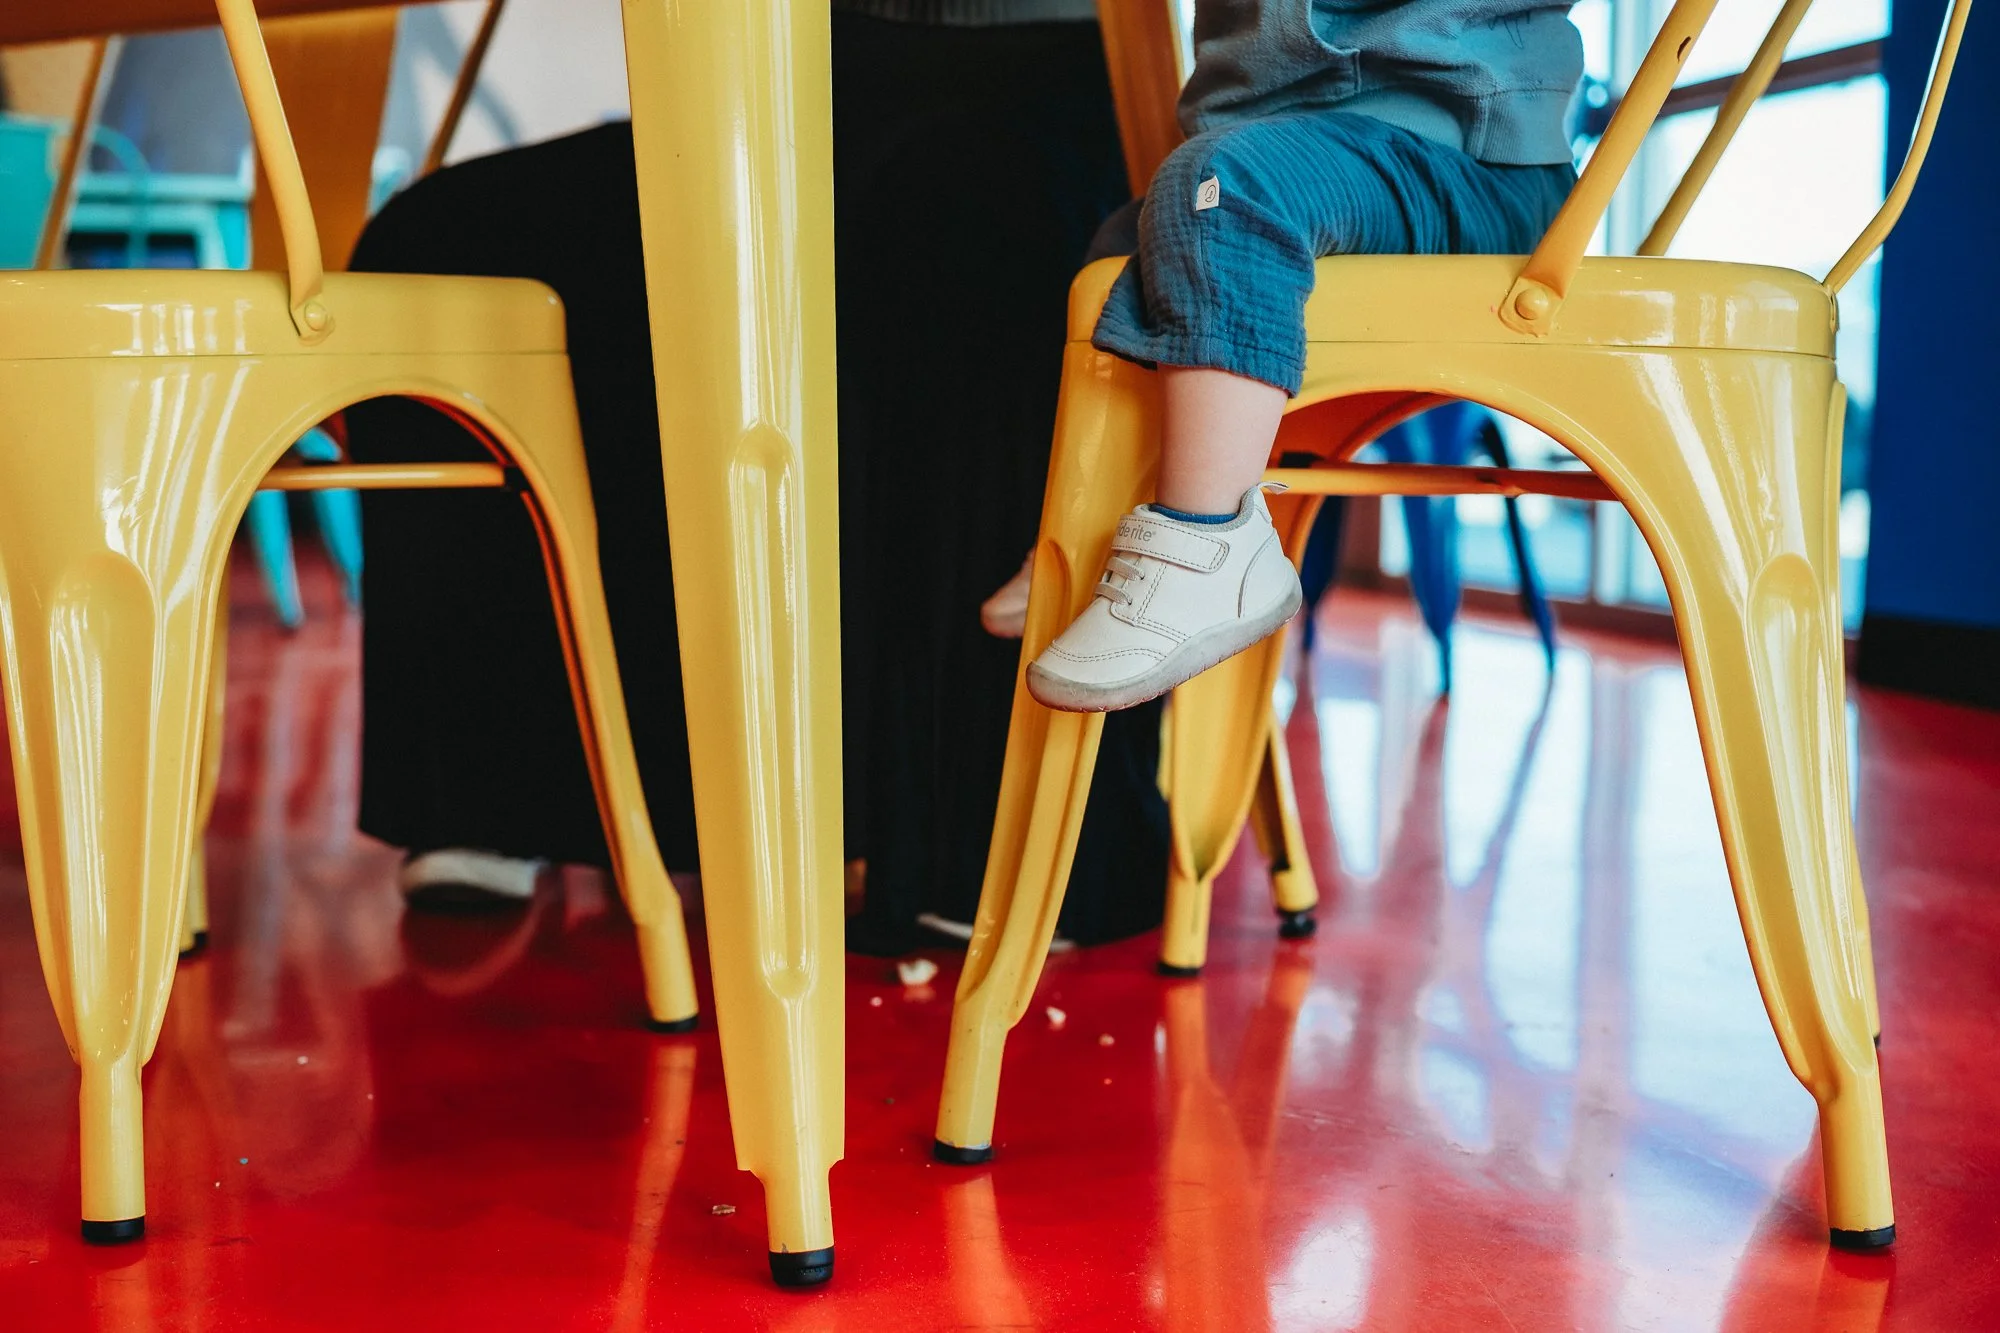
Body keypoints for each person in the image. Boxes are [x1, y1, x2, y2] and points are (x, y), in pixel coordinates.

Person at [345, 2, 1171, 951]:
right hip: (778, 65)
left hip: (1037, 56)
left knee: (964, 220)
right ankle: (512, 784)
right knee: (445, 239)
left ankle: (984, 826)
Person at [1022, 0, 1582, 713]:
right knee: (1120, 238)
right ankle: (1090, 529)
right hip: (1307, 143)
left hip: (1472, 155)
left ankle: (1209, 540)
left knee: (1219, 190)